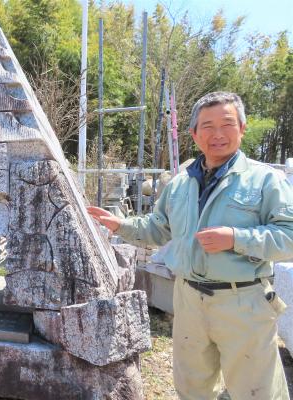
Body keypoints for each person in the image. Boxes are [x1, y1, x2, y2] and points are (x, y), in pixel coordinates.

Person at [88, 92, 293, 399]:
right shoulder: (181, 183)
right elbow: (158, 228)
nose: (218, 134)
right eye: (207, 126)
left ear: (243, 128)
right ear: (194, 134)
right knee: (193, 387)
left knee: (256, 391)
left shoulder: (265, 181)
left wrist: (236, 239)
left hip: (243, 300)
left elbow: (288, 237)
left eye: (227, 124)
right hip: (188, 299)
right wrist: (121, 224)